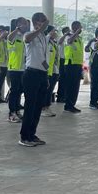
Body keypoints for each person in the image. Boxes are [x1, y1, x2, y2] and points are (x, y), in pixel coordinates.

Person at [19, 12, 50, 147]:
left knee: (38, 107)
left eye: (44, 21)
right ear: (35, 22)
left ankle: (32, 134)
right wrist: (40, 29)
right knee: (30, 107)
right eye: (41, 21)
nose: (43, 24)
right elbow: (27, 40)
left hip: (42, 74)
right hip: (31, 74)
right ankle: (24, 136)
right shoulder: (29, 34)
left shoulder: (43, 37)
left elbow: (43, 58)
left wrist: (46, 75)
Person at [7, 17, 28, 123]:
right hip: (14, 68)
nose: (26, 25)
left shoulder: (25, 36)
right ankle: (11, 113)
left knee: (20, 90)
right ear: (19, 24)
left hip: (24, 68)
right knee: (14, 91)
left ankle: (17, 110)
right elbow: (9, 39)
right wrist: (17, 30)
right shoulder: (14, 35)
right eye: (24, 23)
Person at [64, 21, 83, 113]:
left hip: (78, 64)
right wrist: (75, 33)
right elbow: (69, 41)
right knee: (70, 86)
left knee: (76, 86)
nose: (80, 29)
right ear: (74, 27)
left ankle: (72, 104)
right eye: (79, 27)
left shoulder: (79, 38)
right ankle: (68, 105)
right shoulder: (68, 36)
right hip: (70, 64)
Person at [86, 28, 98, 109]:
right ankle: (92, 103)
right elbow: (94, 47)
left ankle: (96, 102)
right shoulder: (93, 42)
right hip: (94, 66)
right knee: (94, 85)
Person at [41, 25, 58, 117]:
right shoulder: (46, 41)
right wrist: (48, 34)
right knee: (46, 90)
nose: (56, 33)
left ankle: (47, 106)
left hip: (54, 69)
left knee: (50, 90)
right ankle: (43, 107)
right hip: (48, 70)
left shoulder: (53, 43)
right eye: (54, 31)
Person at [56, 26, 70, 103]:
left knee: (66, 79)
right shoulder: (62, 38)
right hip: (61, 60)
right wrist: (65, 35)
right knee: (62, 79)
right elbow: (59, 42)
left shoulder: (69, 39)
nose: (69, 32)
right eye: (68, 31)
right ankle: (60, 96)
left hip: (67, 60)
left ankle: (64, 95)